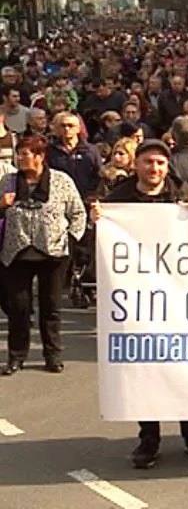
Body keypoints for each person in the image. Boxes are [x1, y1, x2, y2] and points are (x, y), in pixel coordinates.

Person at [92, 138, 188, 468]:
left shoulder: (184, 194)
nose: (154, 168)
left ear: (167, 166)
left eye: (160, 163)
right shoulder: (118, 200)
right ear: (136, 165)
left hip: (182, 299)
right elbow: (101, 242)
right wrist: (98, 221)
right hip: (139, 301)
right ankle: (149, 438)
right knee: (146, 369)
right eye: (148, 162)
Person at [0, 134, 86, 376]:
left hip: (53, 253)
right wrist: (1, 205)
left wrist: (70, 239)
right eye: (18, 154)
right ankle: (16, 356)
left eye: (25, 154)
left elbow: (78, 213)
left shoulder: (62, 181)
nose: (20, 158)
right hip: (15, 253)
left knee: (51, 307)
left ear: (39, 156)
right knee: (18, 308)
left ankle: (52, 355)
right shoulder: (7, 181)